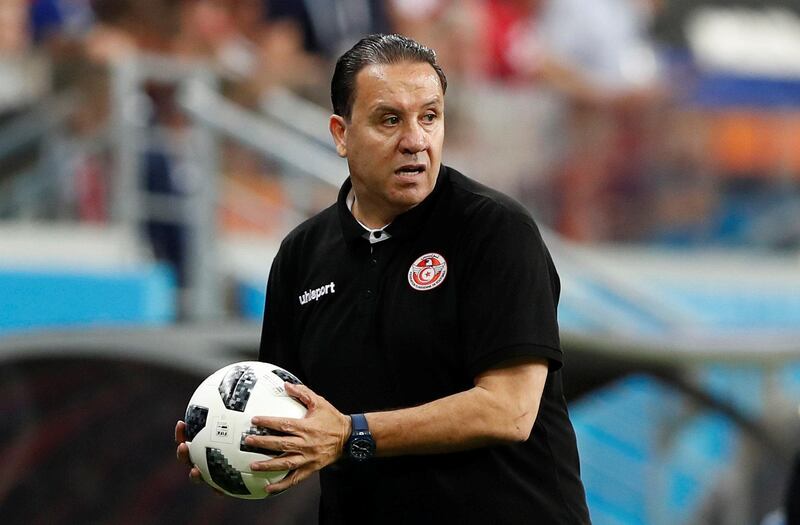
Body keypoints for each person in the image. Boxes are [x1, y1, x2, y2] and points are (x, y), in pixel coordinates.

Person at [176, 33, 590, 524]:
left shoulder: (495, 231)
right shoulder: (302, 256)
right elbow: (300, 424)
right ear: (340, 133)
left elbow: (510, 411)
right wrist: (236, 454)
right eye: (389, 119)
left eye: (429, 117)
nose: (415, 140)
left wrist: (352, 435)